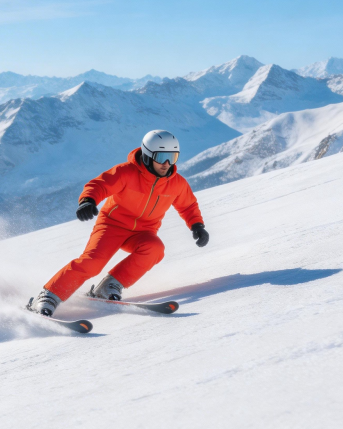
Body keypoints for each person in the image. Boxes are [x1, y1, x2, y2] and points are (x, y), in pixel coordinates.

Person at [28, 130, 210, 316]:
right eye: (161, 156)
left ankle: (109, 286)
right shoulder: (126, 173)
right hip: (112, 226)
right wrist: (88, 201)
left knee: (155, 249)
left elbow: (188, 206)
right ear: (147, 155)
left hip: (143, 232)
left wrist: (197, 225)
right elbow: (99, 185)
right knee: (93, 262)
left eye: (172, 157)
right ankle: (48, 296)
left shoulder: (176, 183)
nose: (166, 164)